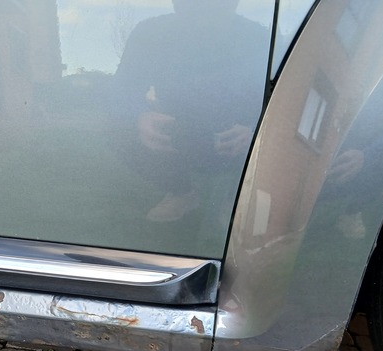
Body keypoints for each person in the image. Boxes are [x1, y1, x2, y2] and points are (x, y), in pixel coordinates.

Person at [114, 0, 269, 222]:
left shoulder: (259, 38)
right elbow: (122, 89)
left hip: (238, 140)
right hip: (175, 136)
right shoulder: (150, 33)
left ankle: (235, 198)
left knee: (271, 139)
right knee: (120, 125)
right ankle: (181, 192)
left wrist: (255, 131)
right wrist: (139, 116)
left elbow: (282, 97)